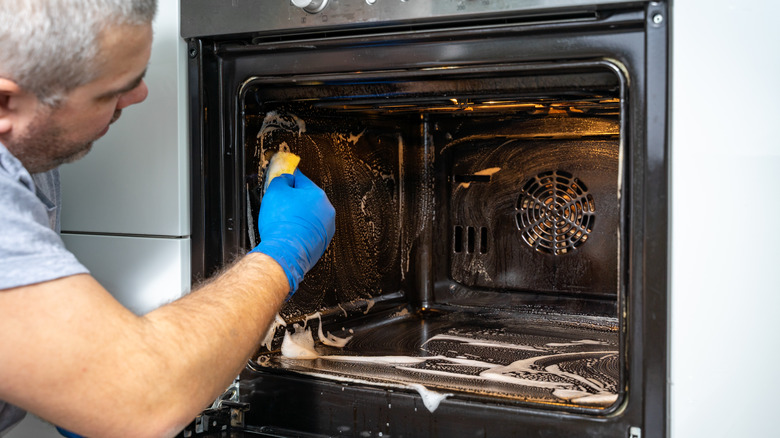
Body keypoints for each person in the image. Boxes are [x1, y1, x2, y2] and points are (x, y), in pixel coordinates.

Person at [0, 1, 335, 437]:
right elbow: (143, 396)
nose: (139, 96)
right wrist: (284, 250)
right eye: (112, 91)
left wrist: (78, 382)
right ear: (6, 101)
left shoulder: (25, 146)